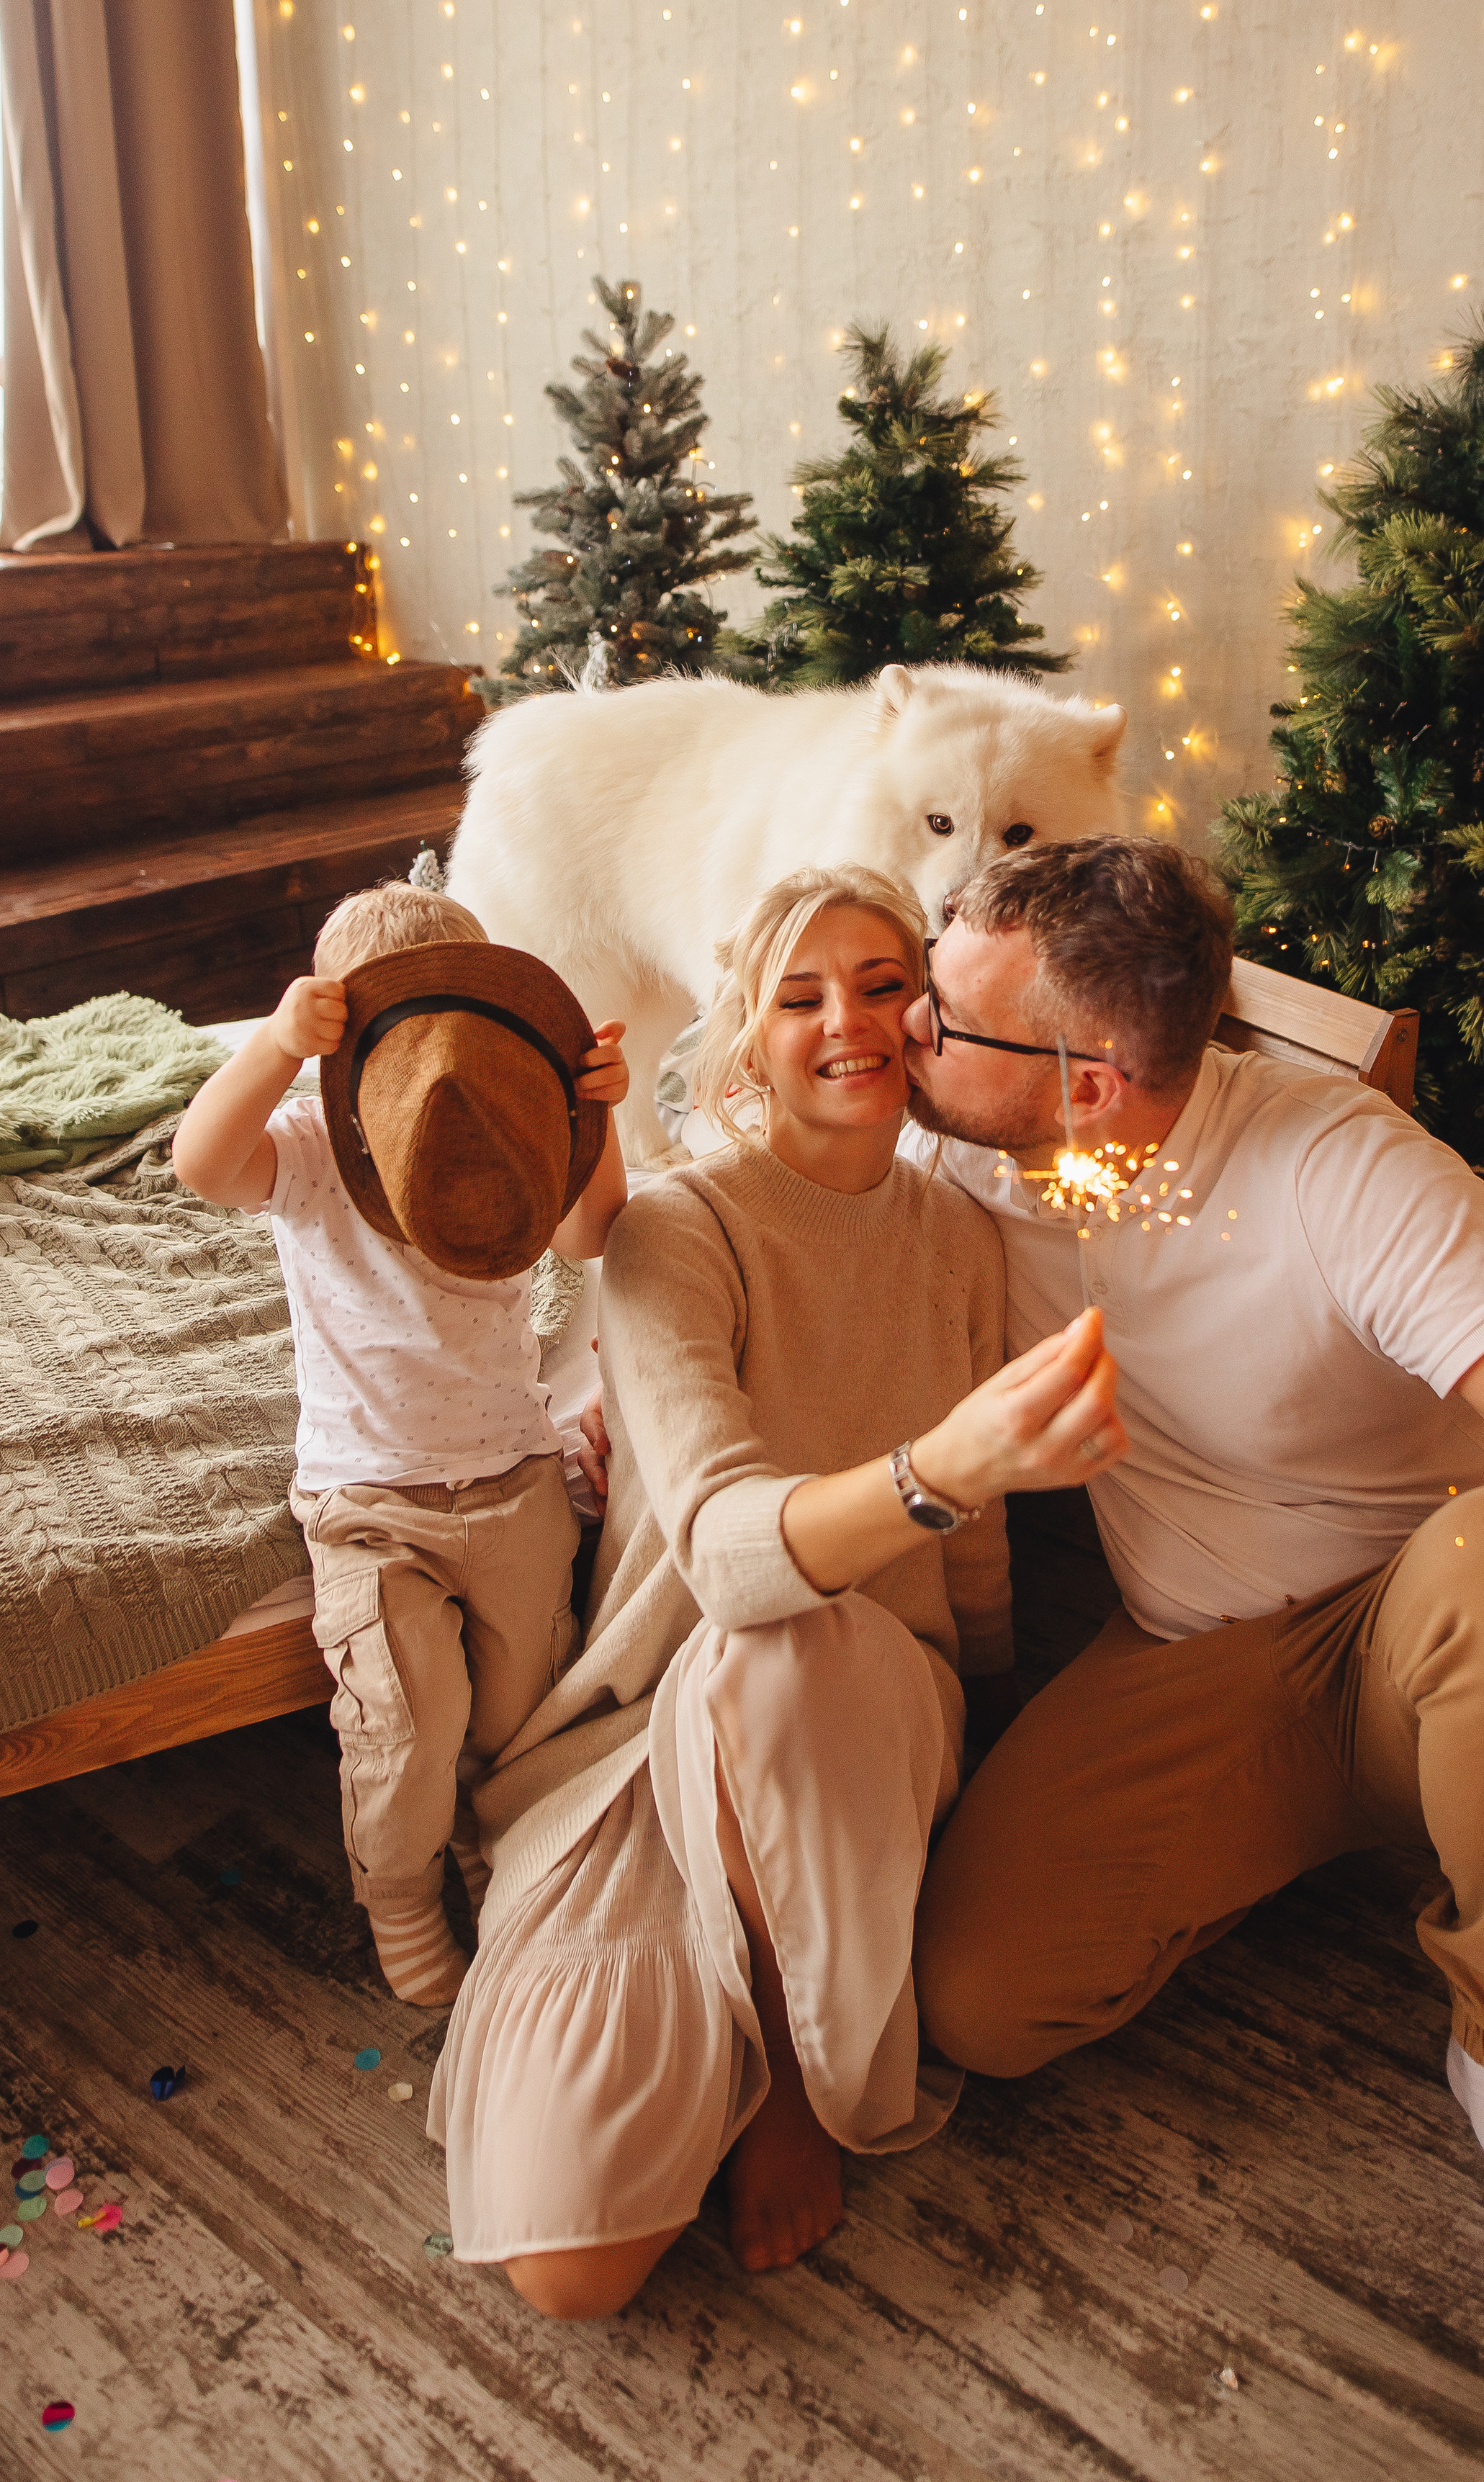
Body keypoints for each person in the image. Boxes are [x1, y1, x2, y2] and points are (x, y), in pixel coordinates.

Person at [900, 835, 1484, 2419]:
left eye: (950, 1023)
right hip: (1195, 1654)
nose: (911, 1043)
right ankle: (1326, 1838)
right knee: (981, 2002)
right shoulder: (965, 1156)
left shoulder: (1327, 1167)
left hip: (1438, 1627)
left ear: (1089, 1084)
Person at [427, 864, 1128, 2319]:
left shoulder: (963, 1239)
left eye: (883, 987)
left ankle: (792, 2088)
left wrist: (982, 1715)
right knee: (570, 2277)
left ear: (930, 1019)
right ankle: (723, 1995)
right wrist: (943, 1460)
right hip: (644, 1740)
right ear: (748, 1036)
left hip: (860, 1717)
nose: (848, 1025)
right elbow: (730, 1558)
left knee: (789, 1660)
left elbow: (970, 1552)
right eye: (799, 996)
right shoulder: (674, 1236)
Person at [173, 881, 630, 2006]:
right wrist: (279, 1047)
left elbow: (596, 1228)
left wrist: (591, 1110)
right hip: (369, 1499)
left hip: (518, 1480)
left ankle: (499, 1849)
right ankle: (401, 1888)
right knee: (405, 1726)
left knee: (525, 1707)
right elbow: (199, 1161)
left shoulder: (507, 1131)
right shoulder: (309, 1145)